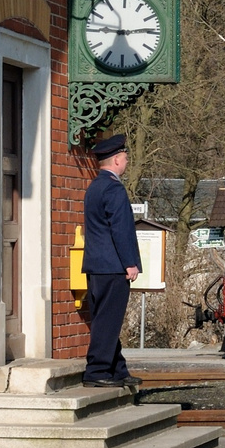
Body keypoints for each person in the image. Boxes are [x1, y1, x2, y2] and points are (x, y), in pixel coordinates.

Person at [82, 133, 142, 389]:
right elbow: (121, 229)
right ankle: (96, 370)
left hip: (96, 265)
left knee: (105, 317)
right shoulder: (114, 188)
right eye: (125, 158)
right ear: (117, 160)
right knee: (109, 319)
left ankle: (117, 369)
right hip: (113, 266)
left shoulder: (94, 187)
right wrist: (130, 262)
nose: (127, 162)